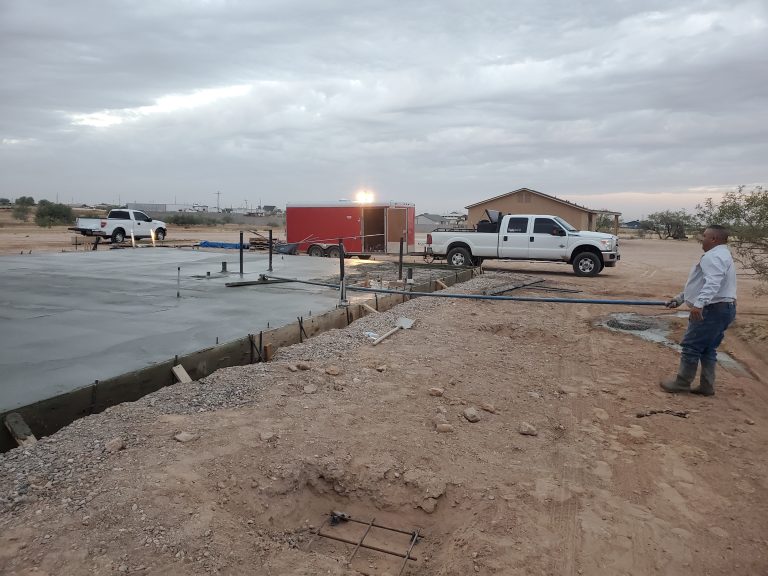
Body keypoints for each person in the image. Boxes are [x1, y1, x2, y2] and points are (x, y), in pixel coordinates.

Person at [660, 225, 737, 396]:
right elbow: (700, 284)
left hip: (712, 310)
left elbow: (712, 283)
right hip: (725, 308)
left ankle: (682, 383)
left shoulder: (713, 257)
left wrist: (699, 304)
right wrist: (679, 299)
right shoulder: (723, 254)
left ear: (714, 239)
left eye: (704, 236)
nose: (702, 239)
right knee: (708, 348)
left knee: (691, 346)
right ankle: (706, 386)